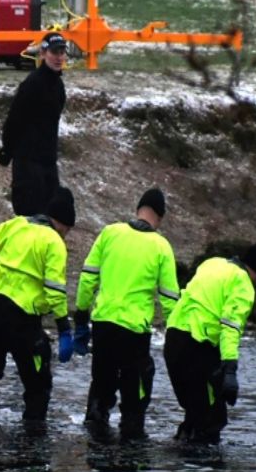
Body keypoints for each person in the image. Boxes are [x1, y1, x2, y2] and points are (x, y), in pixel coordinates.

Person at [0, 186, 77, 423]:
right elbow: (55, 291)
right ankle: (32, 440)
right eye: (68, 230)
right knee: (38, 380)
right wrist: (63, 327)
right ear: (62, 223)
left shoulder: (12, 225)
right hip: (23, 318)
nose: (66, 235)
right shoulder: (54, 242)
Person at [73, 187, 180, 440]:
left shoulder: (110, 233)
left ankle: (96, 449)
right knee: (135, 396)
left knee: (101, 386)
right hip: (134, 331)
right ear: (160, 217)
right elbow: (169, 298)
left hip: (103, 324)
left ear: (138, 209)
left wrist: (80, 316)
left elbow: (88, 278)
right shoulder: (161, 246)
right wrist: (174, 331)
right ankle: (131, 456)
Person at [163, 241, 256, 444]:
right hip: (196, 347)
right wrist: (230, 371)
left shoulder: (212, 263)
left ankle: (180, 462)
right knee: (212, 420)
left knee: (195, 413)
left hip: (172, 340)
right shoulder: (243, 285)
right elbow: (230, 328)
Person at [0, 31, 67, 216]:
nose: (59, 57)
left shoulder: (58, 86)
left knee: (50, 216)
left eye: (61, 52)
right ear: (43, 54)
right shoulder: (33, 83)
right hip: (28, 162)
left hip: (48, 161)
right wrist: (7, 150)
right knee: (29, 216)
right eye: (54, 52)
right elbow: (15, 119)